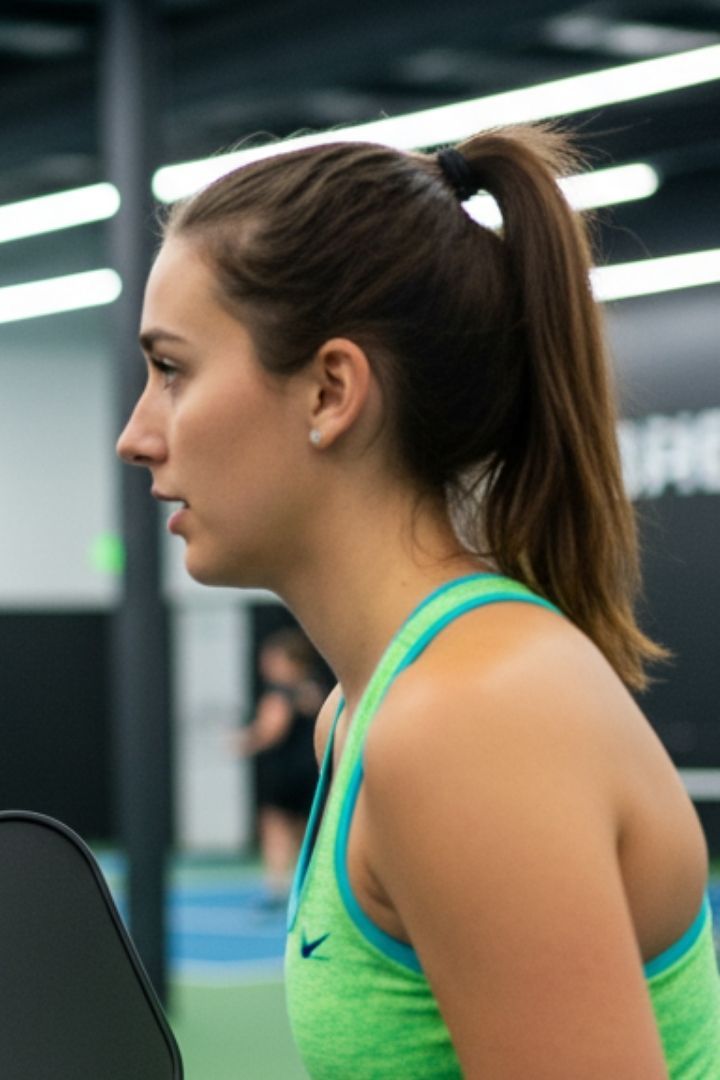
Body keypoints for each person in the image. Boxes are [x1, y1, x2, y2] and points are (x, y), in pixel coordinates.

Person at [117, 124, 720, 1077]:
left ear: (330, 392)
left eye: (172, 370)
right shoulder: (359, 717)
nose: (137, 435)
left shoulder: (464, 724)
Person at [238, 626, 324, 908]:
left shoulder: (279, 693)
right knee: (306, 830)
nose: (266, 664)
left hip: (284, 771)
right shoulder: (313, 690)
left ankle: (276, 887)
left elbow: (271, 729)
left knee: (275, 825)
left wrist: (243, 741)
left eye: (272, 658)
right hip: (312, 771)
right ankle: (309, 885)